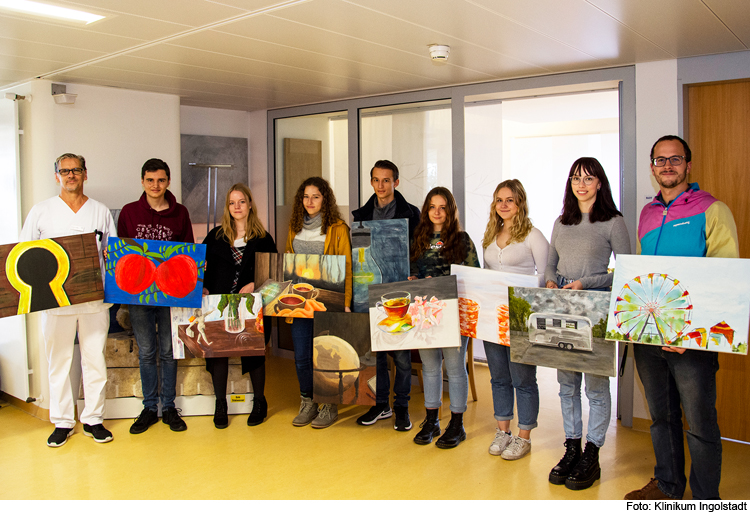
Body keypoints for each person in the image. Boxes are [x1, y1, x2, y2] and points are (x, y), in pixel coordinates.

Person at [625, 136, 738, 500]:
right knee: (662, 418)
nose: (668, 166)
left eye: (676, 159)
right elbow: (642, 276)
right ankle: (669, 486)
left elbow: (724, 278)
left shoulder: (712, 210)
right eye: (660, 160)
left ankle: (706, 501)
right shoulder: (647, 214)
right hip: (650, 338)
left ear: (688, 165)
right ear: (652, 167)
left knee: (701, 424)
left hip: (692, 342)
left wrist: (686, 334)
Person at [20, 153, 117, 447]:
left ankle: (93, 419)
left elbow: (114, 255)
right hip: (54, 303)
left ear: (85, 174)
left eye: (76, 170)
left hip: (93, 301)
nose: (70, 175)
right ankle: (62, 421)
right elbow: (24, 254)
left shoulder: (100, 211)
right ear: (57, 176)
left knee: (94, 359)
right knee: (58, 362)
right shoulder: (41, 211)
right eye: (65, 171)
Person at [544, 157, 630, 490]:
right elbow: (551, 263)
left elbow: (624, 272)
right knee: (567, 384)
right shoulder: (561, 221)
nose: (581, 184)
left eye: (589, 179)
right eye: (576, 178)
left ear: (599, 184)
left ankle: (591, 452)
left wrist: (586, 283)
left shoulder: (613, 222)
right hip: (563, 306)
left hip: (594, 308)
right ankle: (571, 447)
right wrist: (551, 282)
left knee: (595, 387)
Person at [118, 158, 193, 435]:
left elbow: (188, 252)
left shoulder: (180, 213)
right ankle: (150, 407)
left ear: (168, 182)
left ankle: (170, 407)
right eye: (150, 180)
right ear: (142, 181)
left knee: (169, 350)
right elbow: (122, 253)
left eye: (160, 180)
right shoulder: (128, 212)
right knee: (147, 352)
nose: (155, 185)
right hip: (138, 295)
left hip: (171, 295)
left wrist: (197, 266)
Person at [481, 179, 548, 460]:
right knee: (498, 377)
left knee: (523, 378)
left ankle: (524, 436)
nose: (504, 205)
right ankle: (503, 431)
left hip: (521, 318)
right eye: (499, 200)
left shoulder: (533, 235)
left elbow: (544, 278)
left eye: (509, 200)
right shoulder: (490, 234)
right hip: (491, 317)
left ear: (519, 202)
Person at [352, 160, 420, 431]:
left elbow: (417, 250)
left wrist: (413, 274)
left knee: (401, 355)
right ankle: (380, 405)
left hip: (399, 291)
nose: (381, 186)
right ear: (371, 182)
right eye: (376, 180)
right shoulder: (360, 216)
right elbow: (358, 257)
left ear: (396, 182)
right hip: (368, 291)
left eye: (386, 180)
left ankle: (401, 407)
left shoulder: (412, 214)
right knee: (376, 353)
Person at [409, 187, 479, 449]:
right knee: (429, 366)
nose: (437, 212)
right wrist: (415, 280)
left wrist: (446, 283)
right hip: (425, 312)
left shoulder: (462, 239)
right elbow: (412, 270)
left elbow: (474, 275)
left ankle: (457, 424)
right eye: (432, 207)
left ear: (450, 211)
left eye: (443, 207)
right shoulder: (419, 237)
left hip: (454, 313)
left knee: (454, 367)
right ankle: (431, 420)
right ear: (426, 210)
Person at [202, 183, 276, 428]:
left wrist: (255, 282)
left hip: (251, 306)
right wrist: (202, 287)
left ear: (250, 204)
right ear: (227, 206)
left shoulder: (263, 238)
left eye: (241, 201)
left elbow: (274, 272)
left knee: (253, 351)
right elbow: (200, 267)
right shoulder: (214, 237)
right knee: (218, 353)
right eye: (232, 202)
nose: (237, 207)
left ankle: (260, 402)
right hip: (219, 305)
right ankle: (220, 404)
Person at [285, 177, 352, 429]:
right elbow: (288, 260)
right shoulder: (294, 226)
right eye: (305, 196)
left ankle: (328, 404)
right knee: (302, 356)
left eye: (316, 196)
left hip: (328, 301)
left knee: (324, 354)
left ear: (325, 199)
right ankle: (307, 401)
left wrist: (344, 302)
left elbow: (346, 265)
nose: (310, 202)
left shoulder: (338, 227)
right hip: (299, 302)